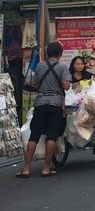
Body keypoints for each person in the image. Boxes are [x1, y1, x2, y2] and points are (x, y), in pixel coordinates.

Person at [16, 41, 71, 178]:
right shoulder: (63, 67)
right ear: (60, 53)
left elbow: (34, 84)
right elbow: (66, 86)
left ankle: (26, 168)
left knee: (34, 135)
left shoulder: (40, 66)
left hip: (40, 103)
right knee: (51, 136)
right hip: (55, 104)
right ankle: (46, 168)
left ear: (48, 53)